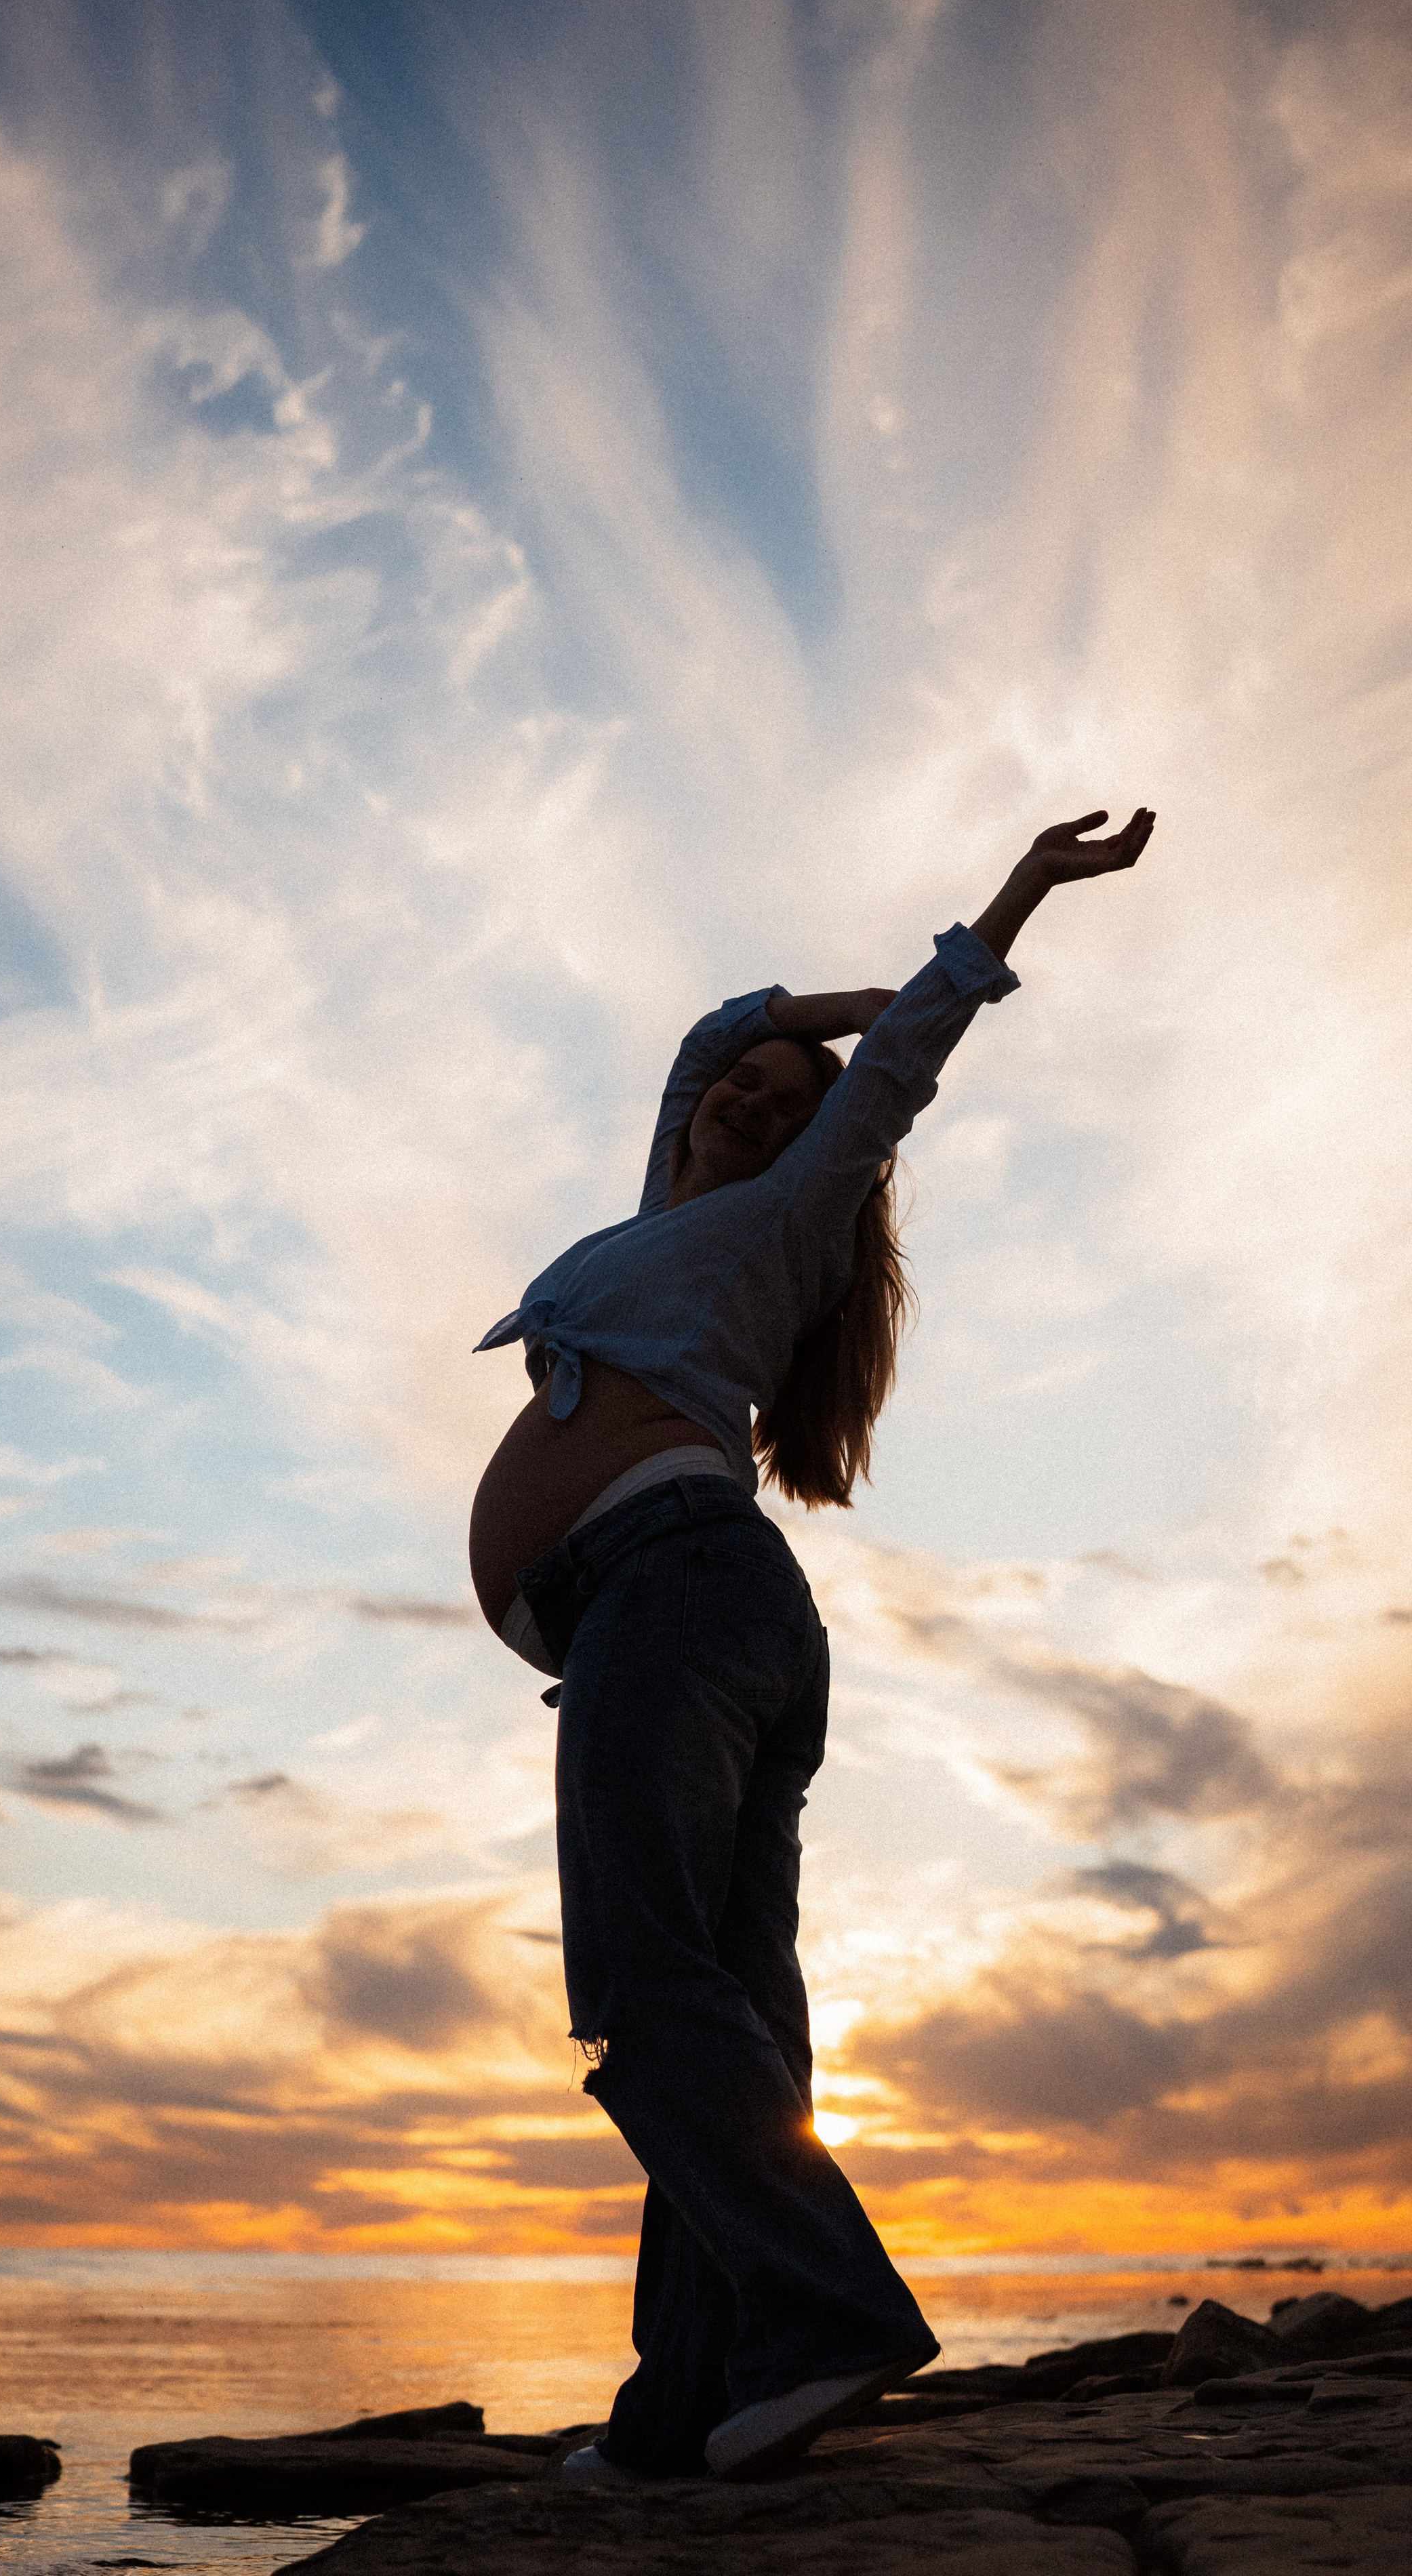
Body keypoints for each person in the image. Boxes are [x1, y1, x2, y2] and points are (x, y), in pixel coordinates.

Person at [468, 807, 1155, 2484]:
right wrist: (797, 1017)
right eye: (742, 1094)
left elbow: (890, 1081)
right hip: (705, 1618)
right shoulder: (658, 1208)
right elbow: (716, 1033)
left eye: (782, 1114)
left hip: (677, 1599)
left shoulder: (782, 1220)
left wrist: (1003, 906)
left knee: (644, 1994)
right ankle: (680, 2410)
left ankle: (828, 2314)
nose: (750, 1102)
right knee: (726, 2020)